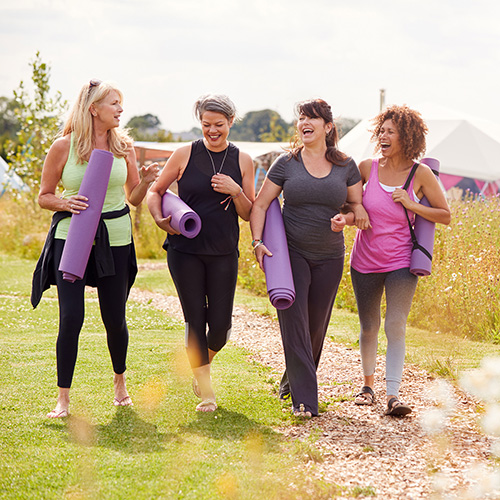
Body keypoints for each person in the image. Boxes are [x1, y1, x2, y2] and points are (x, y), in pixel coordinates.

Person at [33, 80, 159, 418]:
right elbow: (44, 196)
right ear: (94, 109)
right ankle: (63, 399)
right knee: (71, 318)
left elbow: (133, 198)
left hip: (116, 237)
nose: (120, 109)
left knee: (115, 319)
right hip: (71, 238)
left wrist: (145, 182)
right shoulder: (64, 147)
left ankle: (120, 384)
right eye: (114, 103)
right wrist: (64, 201)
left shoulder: (125, 147)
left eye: (121, 103)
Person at [250, 98, 367, 418]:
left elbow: (357, 207)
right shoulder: (286, 164)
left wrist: (347, 218)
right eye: (301, 117)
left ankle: (292, 379)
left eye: (311, 117)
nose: (304, 122)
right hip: (292, 254)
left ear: (327, 127)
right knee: (295, 321)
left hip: (330, 256)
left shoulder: (346, 165)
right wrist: (257, 242)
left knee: (316, 326)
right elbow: (260, 205)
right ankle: (305, 401)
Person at [147, 94, 255, 413]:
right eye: (206, 124)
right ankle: (207, 391)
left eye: (219, 125)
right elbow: (156, 191)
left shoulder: (243, 160)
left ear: (231, 122)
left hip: (224, 252)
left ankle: (198, 365)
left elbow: (249, 213)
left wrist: (236, 191)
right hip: (184, 250)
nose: (212, 131)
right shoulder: (184, 154)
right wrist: (159, 219)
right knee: (195, 319)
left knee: (220, 328)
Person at [351, 104, 451, 416]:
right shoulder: (367, 168)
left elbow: (445, 215)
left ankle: (393, 394)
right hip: (364, 260)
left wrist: (411, 203)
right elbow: (347, 202)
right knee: (369, 325)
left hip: (400, 263)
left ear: (405, 137)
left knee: (395, 325)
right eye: (381, 130)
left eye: (390, 131)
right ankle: (368, 387)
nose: (383, 135)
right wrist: (359, 211)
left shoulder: (420, 174)